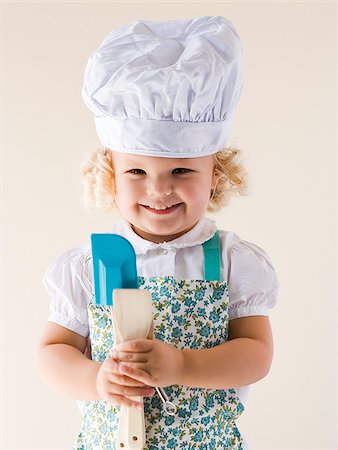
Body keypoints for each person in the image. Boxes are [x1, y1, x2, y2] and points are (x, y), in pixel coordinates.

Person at [36, 16, 279, 450]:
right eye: (136, 171)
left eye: (181, 170)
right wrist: (97, 378)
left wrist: (183, 365)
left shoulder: (230, 260)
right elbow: (52, 353)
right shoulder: (90, 264)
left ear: (216, 175)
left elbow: (256, 354)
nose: (159, 188)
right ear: (110, 177)